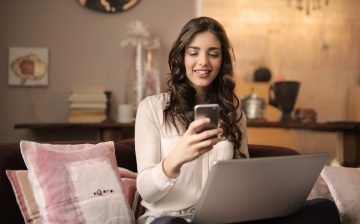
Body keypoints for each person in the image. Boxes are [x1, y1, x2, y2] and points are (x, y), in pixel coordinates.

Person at [134, 17, 340, 224]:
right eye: (193, 52)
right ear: (182, 57)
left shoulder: (232, 109)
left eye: (213, 54)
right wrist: (175, 158)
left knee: (324, 209)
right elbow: (147, 192)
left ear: (222, 61)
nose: (203, 62)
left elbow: (242, 175)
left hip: (224, 218)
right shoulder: (151, 108)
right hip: (171, 219)